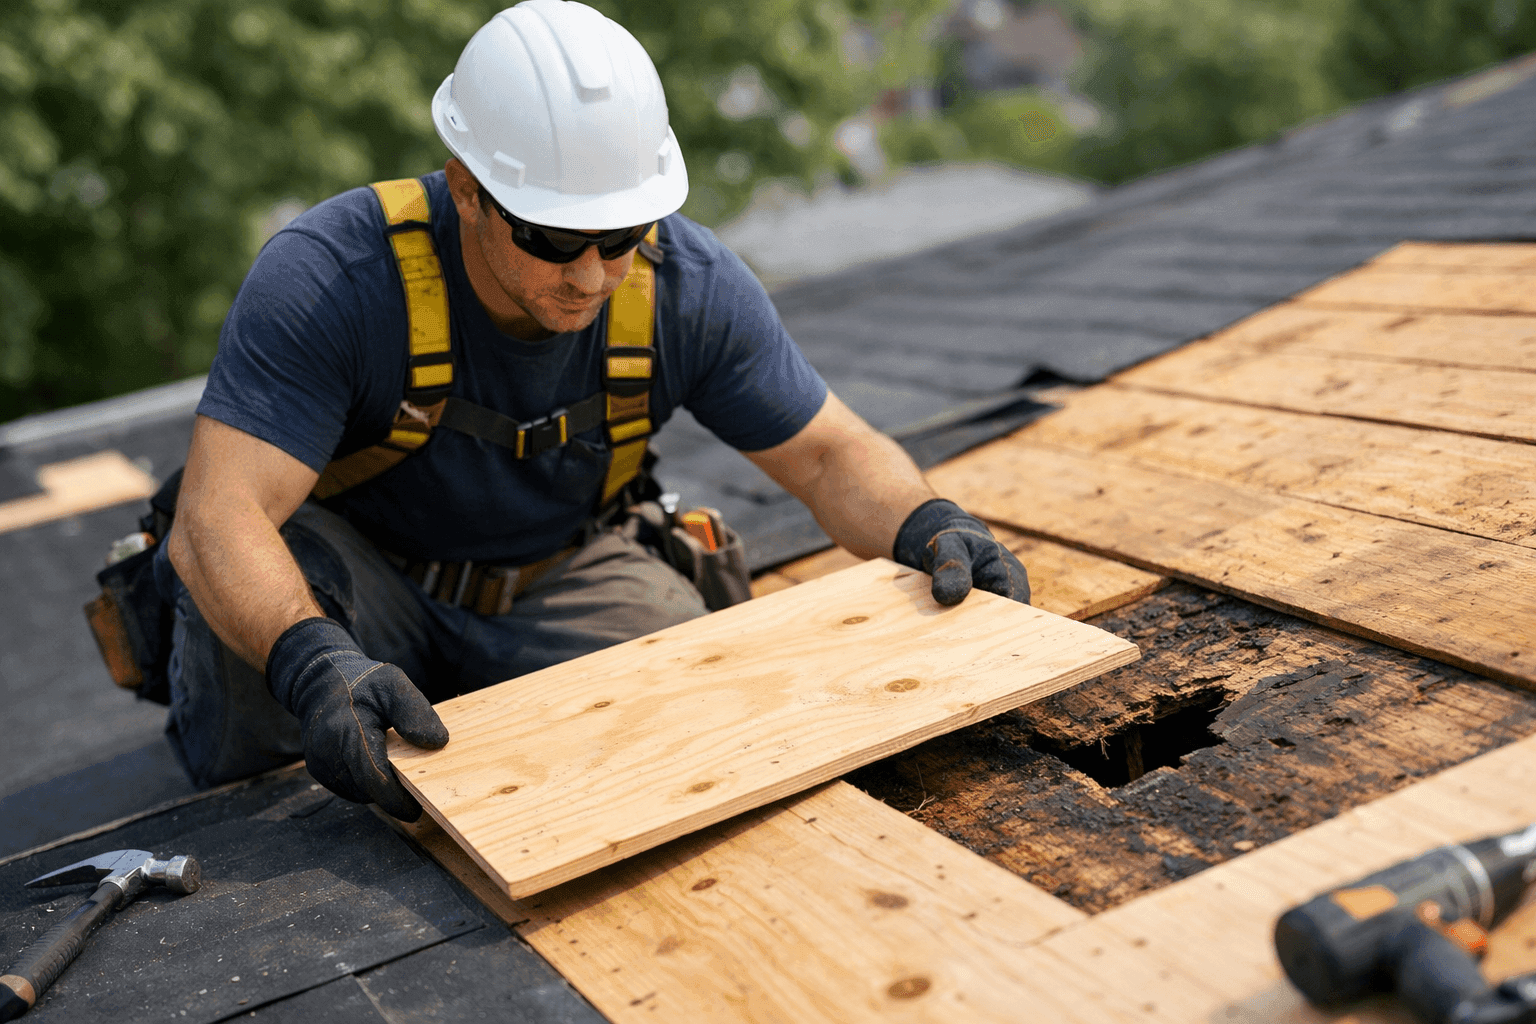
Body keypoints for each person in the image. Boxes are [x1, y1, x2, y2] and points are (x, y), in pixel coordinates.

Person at [161, 0, 1030, 821]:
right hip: (365, 588)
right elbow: (217, 515)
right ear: (467, 189)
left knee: (700, 715)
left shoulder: (686, 287)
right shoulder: (332, 279)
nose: (591, 275)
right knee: (280, 732)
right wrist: (316, 666)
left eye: (620, 235)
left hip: (556, 575)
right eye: (550, 236)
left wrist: (931, 524)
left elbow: (827, 455)